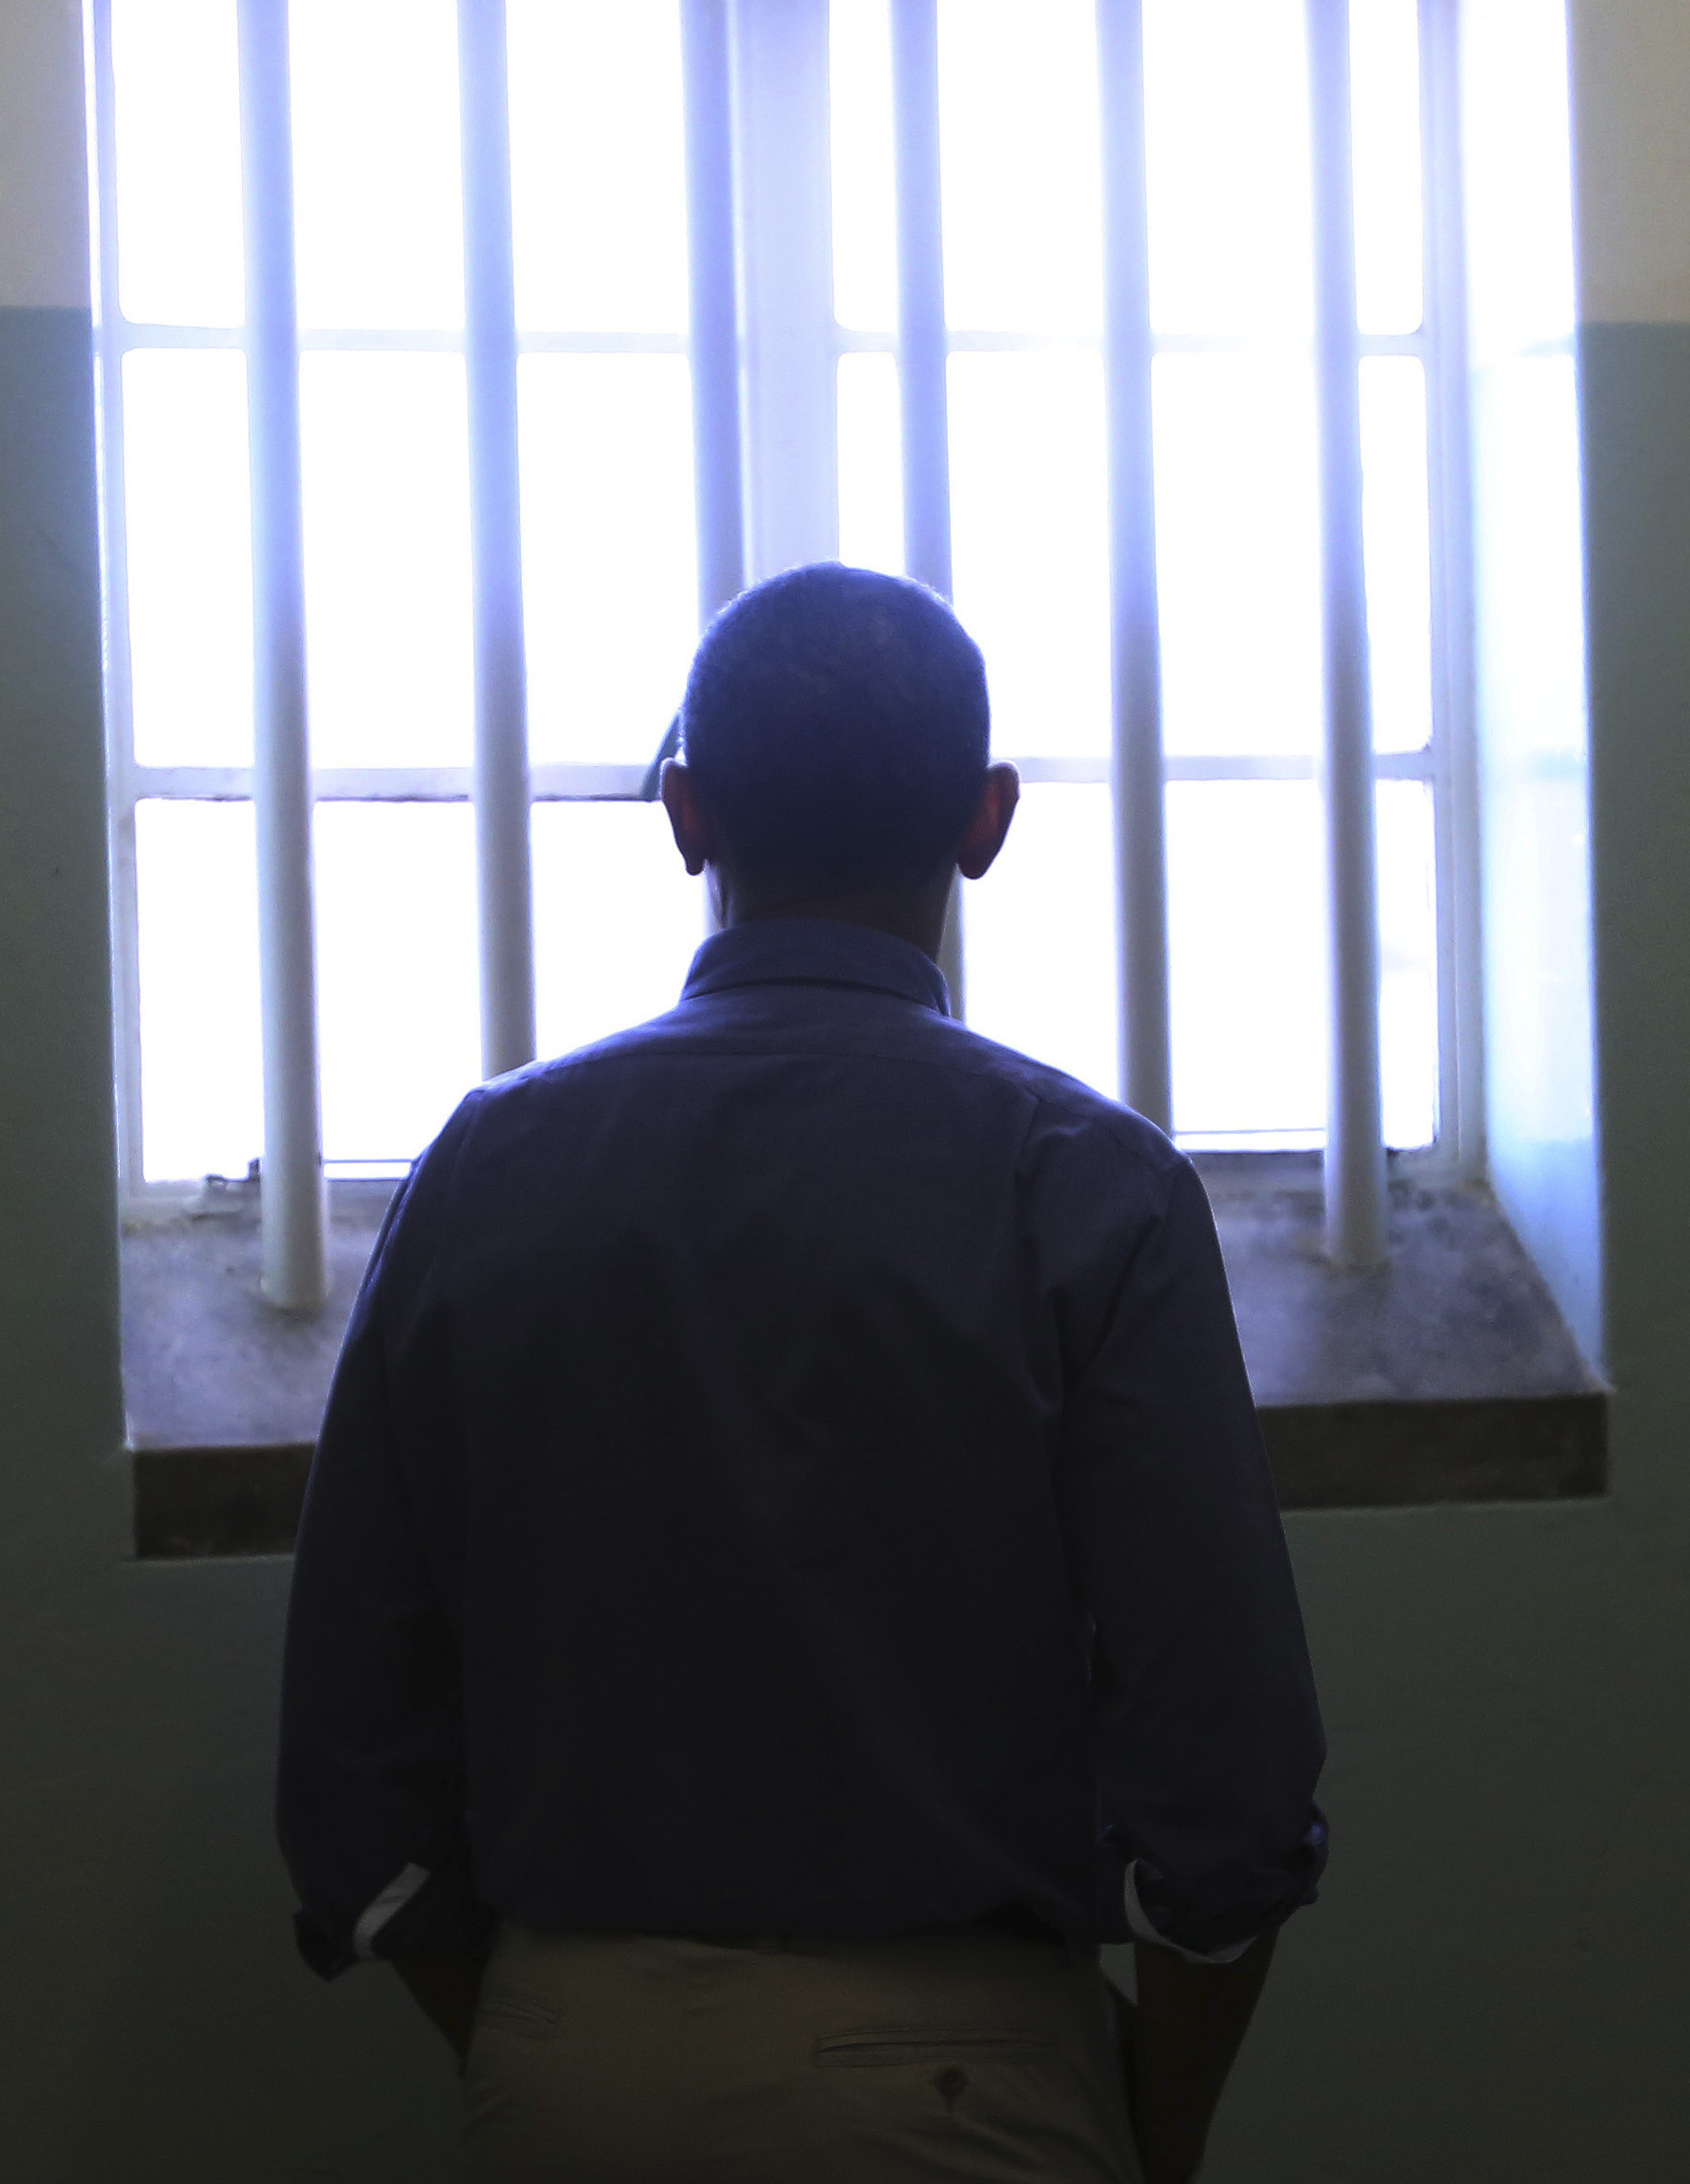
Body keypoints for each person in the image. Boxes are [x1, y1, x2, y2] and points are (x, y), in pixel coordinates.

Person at [277, 563, 1326, 2182]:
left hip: (570, 2063)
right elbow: (1227, 1766)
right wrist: (1156, 2132)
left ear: (686, 813)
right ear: (986, 820)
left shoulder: (486, 1170)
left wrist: (544, 2038)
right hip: (969, 2073)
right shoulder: (1088, 1187)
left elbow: (352, 1749)